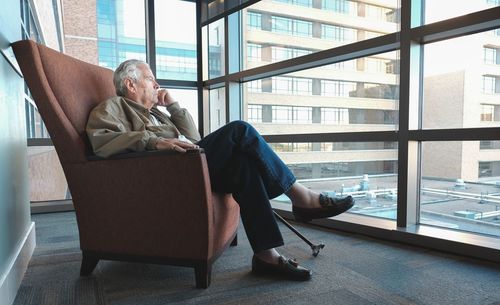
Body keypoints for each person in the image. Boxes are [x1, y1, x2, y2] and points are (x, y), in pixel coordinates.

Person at [86, 59, 354, 281]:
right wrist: (153, 140)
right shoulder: (112, 107)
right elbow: (101, 142)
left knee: (243, 165)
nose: (156, 84)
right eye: (149, 78)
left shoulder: (158, 114)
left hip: (189, 165)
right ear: (130, 84)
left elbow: (193, 135)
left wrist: (174, 107)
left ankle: (265, 256)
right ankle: (300, 197)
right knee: (240, 130)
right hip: (166, 175)